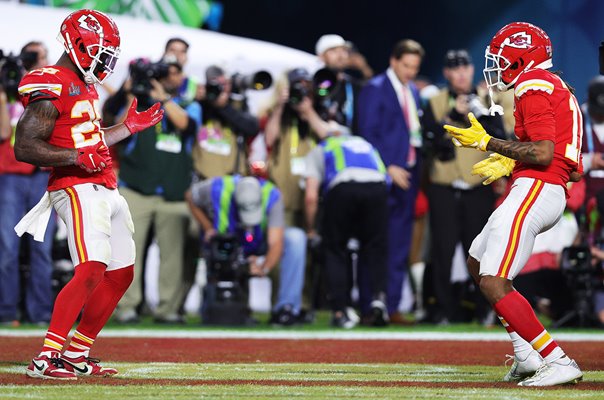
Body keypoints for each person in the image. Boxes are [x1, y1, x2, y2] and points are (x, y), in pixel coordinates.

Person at [13, 9, 163, 379]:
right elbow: (25, 146)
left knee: (121, 274)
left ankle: (77, 353)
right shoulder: (51, 81)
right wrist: (75, 157)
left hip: (104, 184)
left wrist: (126, 128)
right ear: (78, 45)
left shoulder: (83, 83)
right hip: (74, 186)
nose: (105, 60)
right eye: (101, 51)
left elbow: (90, 139)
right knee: (93, 268)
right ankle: (46, 358)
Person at [444, 22, 583, 386]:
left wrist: (489, 143)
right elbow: (573, 166)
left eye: (501, 59)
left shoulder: (533, 84)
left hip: (537, 187)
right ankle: (526, 354)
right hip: (540, 186)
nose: (497, 67)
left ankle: (557, 359)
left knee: (494, 280)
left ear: (521, 57)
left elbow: (541, 152)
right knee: (477, 261)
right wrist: (512, 161)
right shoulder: (555, 86)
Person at [110, 61, 201, 324]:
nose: (170, 76)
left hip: (173, 192)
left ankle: (167, 309)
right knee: (129, 252)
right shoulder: (138, 102)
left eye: (173, 73)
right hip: (137, 189)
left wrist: (164, 99)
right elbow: (119, 127)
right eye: (164, 74)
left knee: (172, 255)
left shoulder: (188, 104)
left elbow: (185, 125)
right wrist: (132, 95)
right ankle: (127, 306)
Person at [421, 49, 505, 324]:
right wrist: (450, 116)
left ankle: (484, 310)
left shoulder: (487, 99)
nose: (460, 73)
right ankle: (443, 309)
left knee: (480, 251)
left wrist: (478, 112)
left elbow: (502, 137)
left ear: (471, 70)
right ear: (446, 73)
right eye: (453, 68)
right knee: (442, 249)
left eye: (464, 67)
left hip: (477, 185)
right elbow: (429, 140)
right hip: (444, 185)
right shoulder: (434, 101)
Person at [357, 39, 425, 323]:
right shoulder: (374, 89)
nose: (410, 72)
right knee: (374, 242)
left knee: (399, 244)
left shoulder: (413, 92)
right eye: (406, 65)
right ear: (393, 61)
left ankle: (394, 305)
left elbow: (414, 132)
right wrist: (388, 167)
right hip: (382, 179)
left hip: (408, 179)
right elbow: (366, 134)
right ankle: (369, 305)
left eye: (415, 67)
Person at [186, 175, 305, 323]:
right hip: (226, 241)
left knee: (295, 238)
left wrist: (264, 267)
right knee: (214, 247)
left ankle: (286, 308)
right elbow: (190, 196)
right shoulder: (215, 188)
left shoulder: (271, 194)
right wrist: (207, 227)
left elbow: (276, 242)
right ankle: (215, 305)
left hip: (259, 240)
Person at [304, 134, 389, 328]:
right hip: (377, 188)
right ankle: (379, 300)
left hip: (343, 187)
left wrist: (310, 230)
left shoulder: (323, 147)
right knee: (376, 247)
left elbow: (310, 197)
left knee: (335, 248)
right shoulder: (365, 143)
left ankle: (341, 310)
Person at [0, 41, 54, 327]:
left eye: (41, 56)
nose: (37, 61)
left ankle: (42, 314)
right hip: (11, 174)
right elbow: (3, 131)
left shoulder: (52, 91)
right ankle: (8, 312)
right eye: (32, 56)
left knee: (41, 248)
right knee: (7, 246)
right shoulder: (8, 92)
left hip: (43, 175)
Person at [193, 65, 259, 179]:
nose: (223, 88)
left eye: (226, 83)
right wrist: (199, 99)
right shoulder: (200, 104)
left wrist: (223, 107)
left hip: (232, 177)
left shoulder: (237, 104)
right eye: (217, 84)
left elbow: (252, 128)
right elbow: (188, 125)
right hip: (202, 177)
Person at [314, 34, 361, 135]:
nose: (341, 55)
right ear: (321, 57)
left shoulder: (355, 86)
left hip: (347, 145)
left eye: (344, 50)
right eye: (333, 51)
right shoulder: (314, 85)